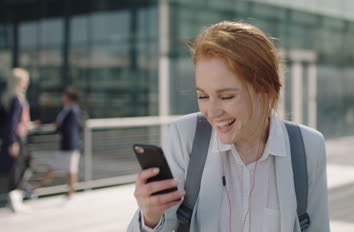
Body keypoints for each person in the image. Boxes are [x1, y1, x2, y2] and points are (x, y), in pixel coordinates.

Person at [128, 21, 330, 231]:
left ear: (266, 91)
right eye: (203, 96)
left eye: (226, 96)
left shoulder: (308, 146)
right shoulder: (185, 137)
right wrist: (150, 218)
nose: (212, 112)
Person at [35, 87, 82, 200]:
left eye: (64, 95)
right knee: (55, 167)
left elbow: (69, 127)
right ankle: (37, 190)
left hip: (70, 146)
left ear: (69, 97)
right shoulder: (67, 109)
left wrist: (59, 127)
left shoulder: (73, 110)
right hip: (65, 145)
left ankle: (70, 194)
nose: (62, 97)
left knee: (70, 171)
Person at [0, 68, 32, 212]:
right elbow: (12, 122)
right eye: (25, 80)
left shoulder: (9, 97)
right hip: (16, 138)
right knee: (18, 168)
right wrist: (13, 141)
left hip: (13, 137)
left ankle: (14, 200)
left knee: (18, 167)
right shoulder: (17, 99)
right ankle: (14, 201)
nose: (27, 83)